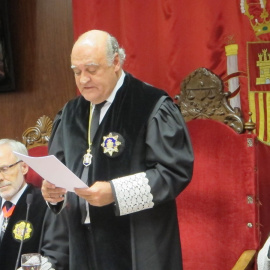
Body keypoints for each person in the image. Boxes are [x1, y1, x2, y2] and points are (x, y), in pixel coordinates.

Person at [41, 29, 194, 270]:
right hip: (83, 247)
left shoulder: (151, 105)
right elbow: (58, 170)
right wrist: (52, 192)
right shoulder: (70, 114)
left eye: (91, 70)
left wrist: (115, 192)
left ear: (115, 62)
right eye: (77, 72)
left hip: (139, 245)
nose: (83, 80)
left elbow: (173, 173)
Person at [0, 139, 69, 270]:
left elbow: (56, 257)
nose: (0, 177)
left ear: (24, 167)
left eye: (4, 169)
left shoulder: (48, 203)